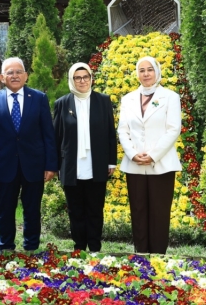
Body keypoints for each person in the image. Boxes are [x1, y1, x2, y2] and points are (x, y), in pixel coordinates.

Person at [0, 57, 58, 251]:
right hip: (3, 166)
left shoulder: (39, 98)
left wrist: (51, 165)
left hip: (34, 165)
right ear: (2, 77)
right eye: (10, 72)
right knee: (5, 210)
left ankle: (31, 247)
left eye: (18, 72)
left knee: (32, 210)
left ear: (25, 76)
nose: (14, 76)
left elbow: (48, 134)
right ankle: (5, 248)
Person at [117, 56, 182, 254]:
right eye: (142, 70)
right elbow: (123, 130)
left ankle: (159, 256)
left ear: (157, 72)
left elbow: (173, 129)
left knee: (159, 213)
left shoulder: (171, 97)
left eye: (149, 70)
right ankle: (141, 255)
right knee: (138, 212)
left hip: (161, 165)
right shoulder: (127, 99)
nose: (146, 74)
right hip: (134, 165)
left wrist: (153, 155)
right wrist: (133, 154)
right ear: (137, 74)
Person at [53, 62, 117, 252]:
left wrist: (111, 161)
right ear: (71, 80)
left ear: (91, 78)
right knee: (75, 211)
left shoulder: (103, 100)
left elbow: (110, 133)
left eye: (86, 77)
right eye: (78, 78)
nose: (82, 81)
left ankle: (95, 248)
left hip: (96, 164)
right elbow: (57, 137)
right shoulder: (62, 103)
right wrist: (56, 165)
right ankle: (79, 248)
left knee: (95, 210)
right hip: (71, 166)